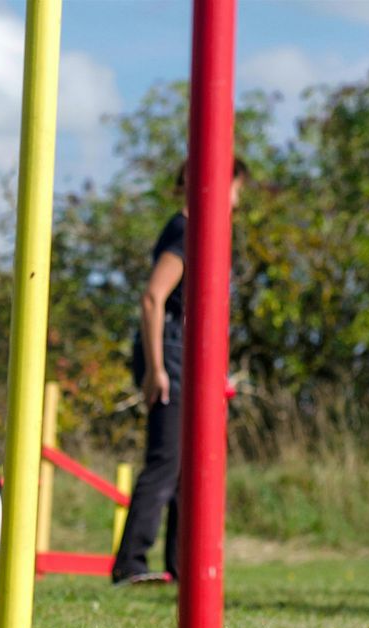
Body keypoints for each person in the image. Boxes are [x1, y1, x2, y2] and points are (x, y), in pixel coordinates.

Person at [111, 158, 248, 586]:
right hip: (169, 354)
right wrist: (156, 369)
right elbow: (154, 298)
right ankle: (129, 565)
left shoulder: (203, 234)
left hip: (190, 357)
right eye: (234, 190)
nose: (236, 202)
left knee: (190, 465)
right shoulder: (185, 230)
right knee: (166, 460)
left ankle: (179, 564)